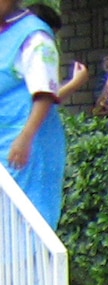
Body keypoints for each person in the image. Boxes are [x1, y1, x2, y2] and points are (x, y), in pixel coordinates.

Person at [0, 0, 65, 230]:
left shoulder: (34, 36)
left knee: (25, 227)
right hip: (4, 143)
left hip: (26, 149)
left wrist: (25, 137)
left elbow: (44, 92)